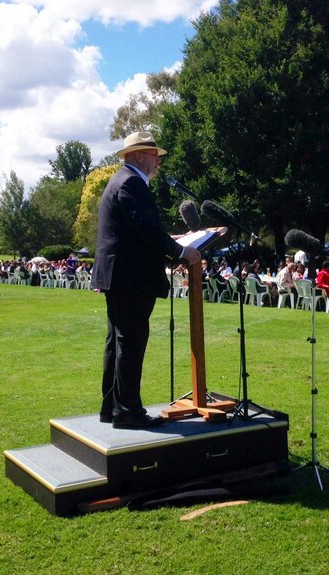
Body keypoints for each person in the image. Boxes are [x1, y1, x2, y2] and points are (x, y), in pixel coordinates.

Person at [92, 131, 201, 429]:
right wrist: (180, 251)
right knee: (130, 341)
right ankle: (127, 411)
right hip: (130, 277)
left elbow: (137, 231)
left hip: (121, 274)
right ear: (140, 155)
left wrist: (171, 242)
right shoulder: (131, 182)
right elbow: (146, 231)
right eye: (156, 156)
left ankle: (112, 408)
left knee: (117, 341)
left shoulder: (121, 181)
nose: (159, 161)